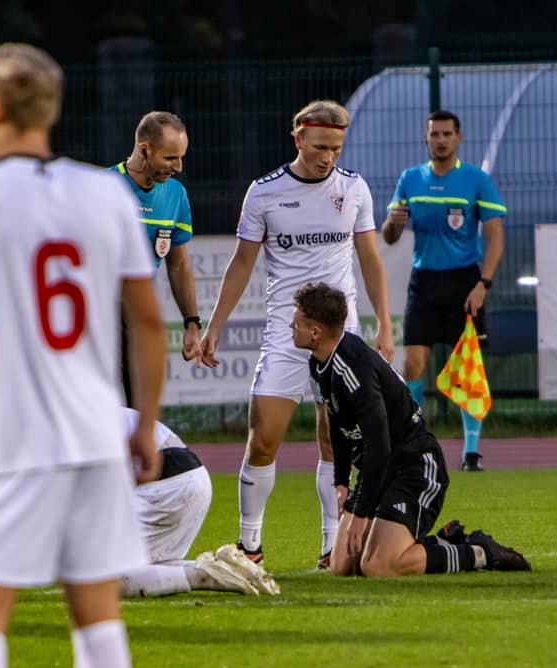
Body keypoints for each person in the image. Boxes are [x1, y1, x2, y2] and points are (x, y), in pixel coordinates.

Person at [0, 43, 164, 668]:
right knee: (96, 615)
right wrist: (145, 425)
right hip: (95, 431)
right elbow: (148, 322)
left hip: (13, 435)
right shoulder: (104, 192)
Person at [198, 100, 394, 570]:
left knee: (335, 442)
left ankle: (331, 545)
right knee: (263, 438)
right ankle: (250, 544)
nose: (329, 157)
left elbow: (370, 258)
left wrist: (385, 324)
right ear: (298, 138)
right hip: (287, 335)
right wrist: (215, 324)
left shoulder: (354, 188)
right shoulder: (265, 192)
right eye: (321, 146)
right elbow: (241, 263)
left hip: (340, 339)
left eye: (337, 148)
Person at [291, 282, 530, 577]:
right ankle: (443, 541)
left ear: (315, 332)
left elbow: (379, 446)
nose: (291, 326)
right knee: (343, 566)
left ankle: (479, 552)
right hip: (379, 470)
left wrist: (361, 513)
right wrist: (341, 482)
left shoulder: (354, 370)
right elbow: (339, 426)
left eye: (296, 322)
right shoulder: (320, 363)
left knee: (378, 566)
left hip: (414, 467)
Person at [381, 109, 506, 472]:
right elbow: (389, 235)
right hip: (424, 281)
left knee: (467, 367)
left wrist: (484, 284)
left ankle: (471, 452)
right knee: (412, 363)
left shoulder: (475, 179)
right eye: (434, 134)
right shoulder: (410, 179)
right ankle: (414, 442)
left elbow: (496, 236)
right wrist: (393, 222)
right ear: (426, 138)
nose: (440, 140)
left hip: (464, 281)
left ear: (458, 138)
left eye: (447, 134)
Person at [117, 407, 280, 598]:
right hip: (191, 477)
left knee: (100, 576)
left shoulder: (88, 418)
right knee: (150, 563)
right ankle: (227, 567)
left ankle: (206, 575)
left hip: (165, 487)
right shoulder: (99, 408)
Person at [112, 111, 199, 404]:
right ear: (144, 150)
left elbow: (179, 265)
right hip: (97, 310)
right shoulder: (104, 186)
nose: (178, 166)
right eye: (170, 158)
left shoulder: (176, 194)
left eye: (181, 157)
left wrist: (192, 323)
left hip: (138, 312)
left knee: (139, 406)